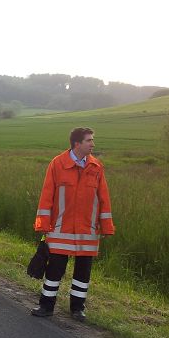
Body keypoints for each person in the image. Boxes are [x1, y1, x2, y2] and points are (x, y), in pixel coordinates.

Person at [31, 127, 115, 322]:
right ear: (77, 144)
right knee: (54, 270)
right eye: (89, 140)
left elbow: (104, 198)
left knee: (83, 273)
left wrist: (106, 226)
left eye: (92, 140)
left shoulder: (96, 167)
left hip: (88, 231)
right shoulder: (57, 164)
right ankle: (46, 306)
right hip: (60, 229)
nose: (93, 144)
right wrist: (43, 224)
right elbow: (46, 196)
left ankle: (77, 309)